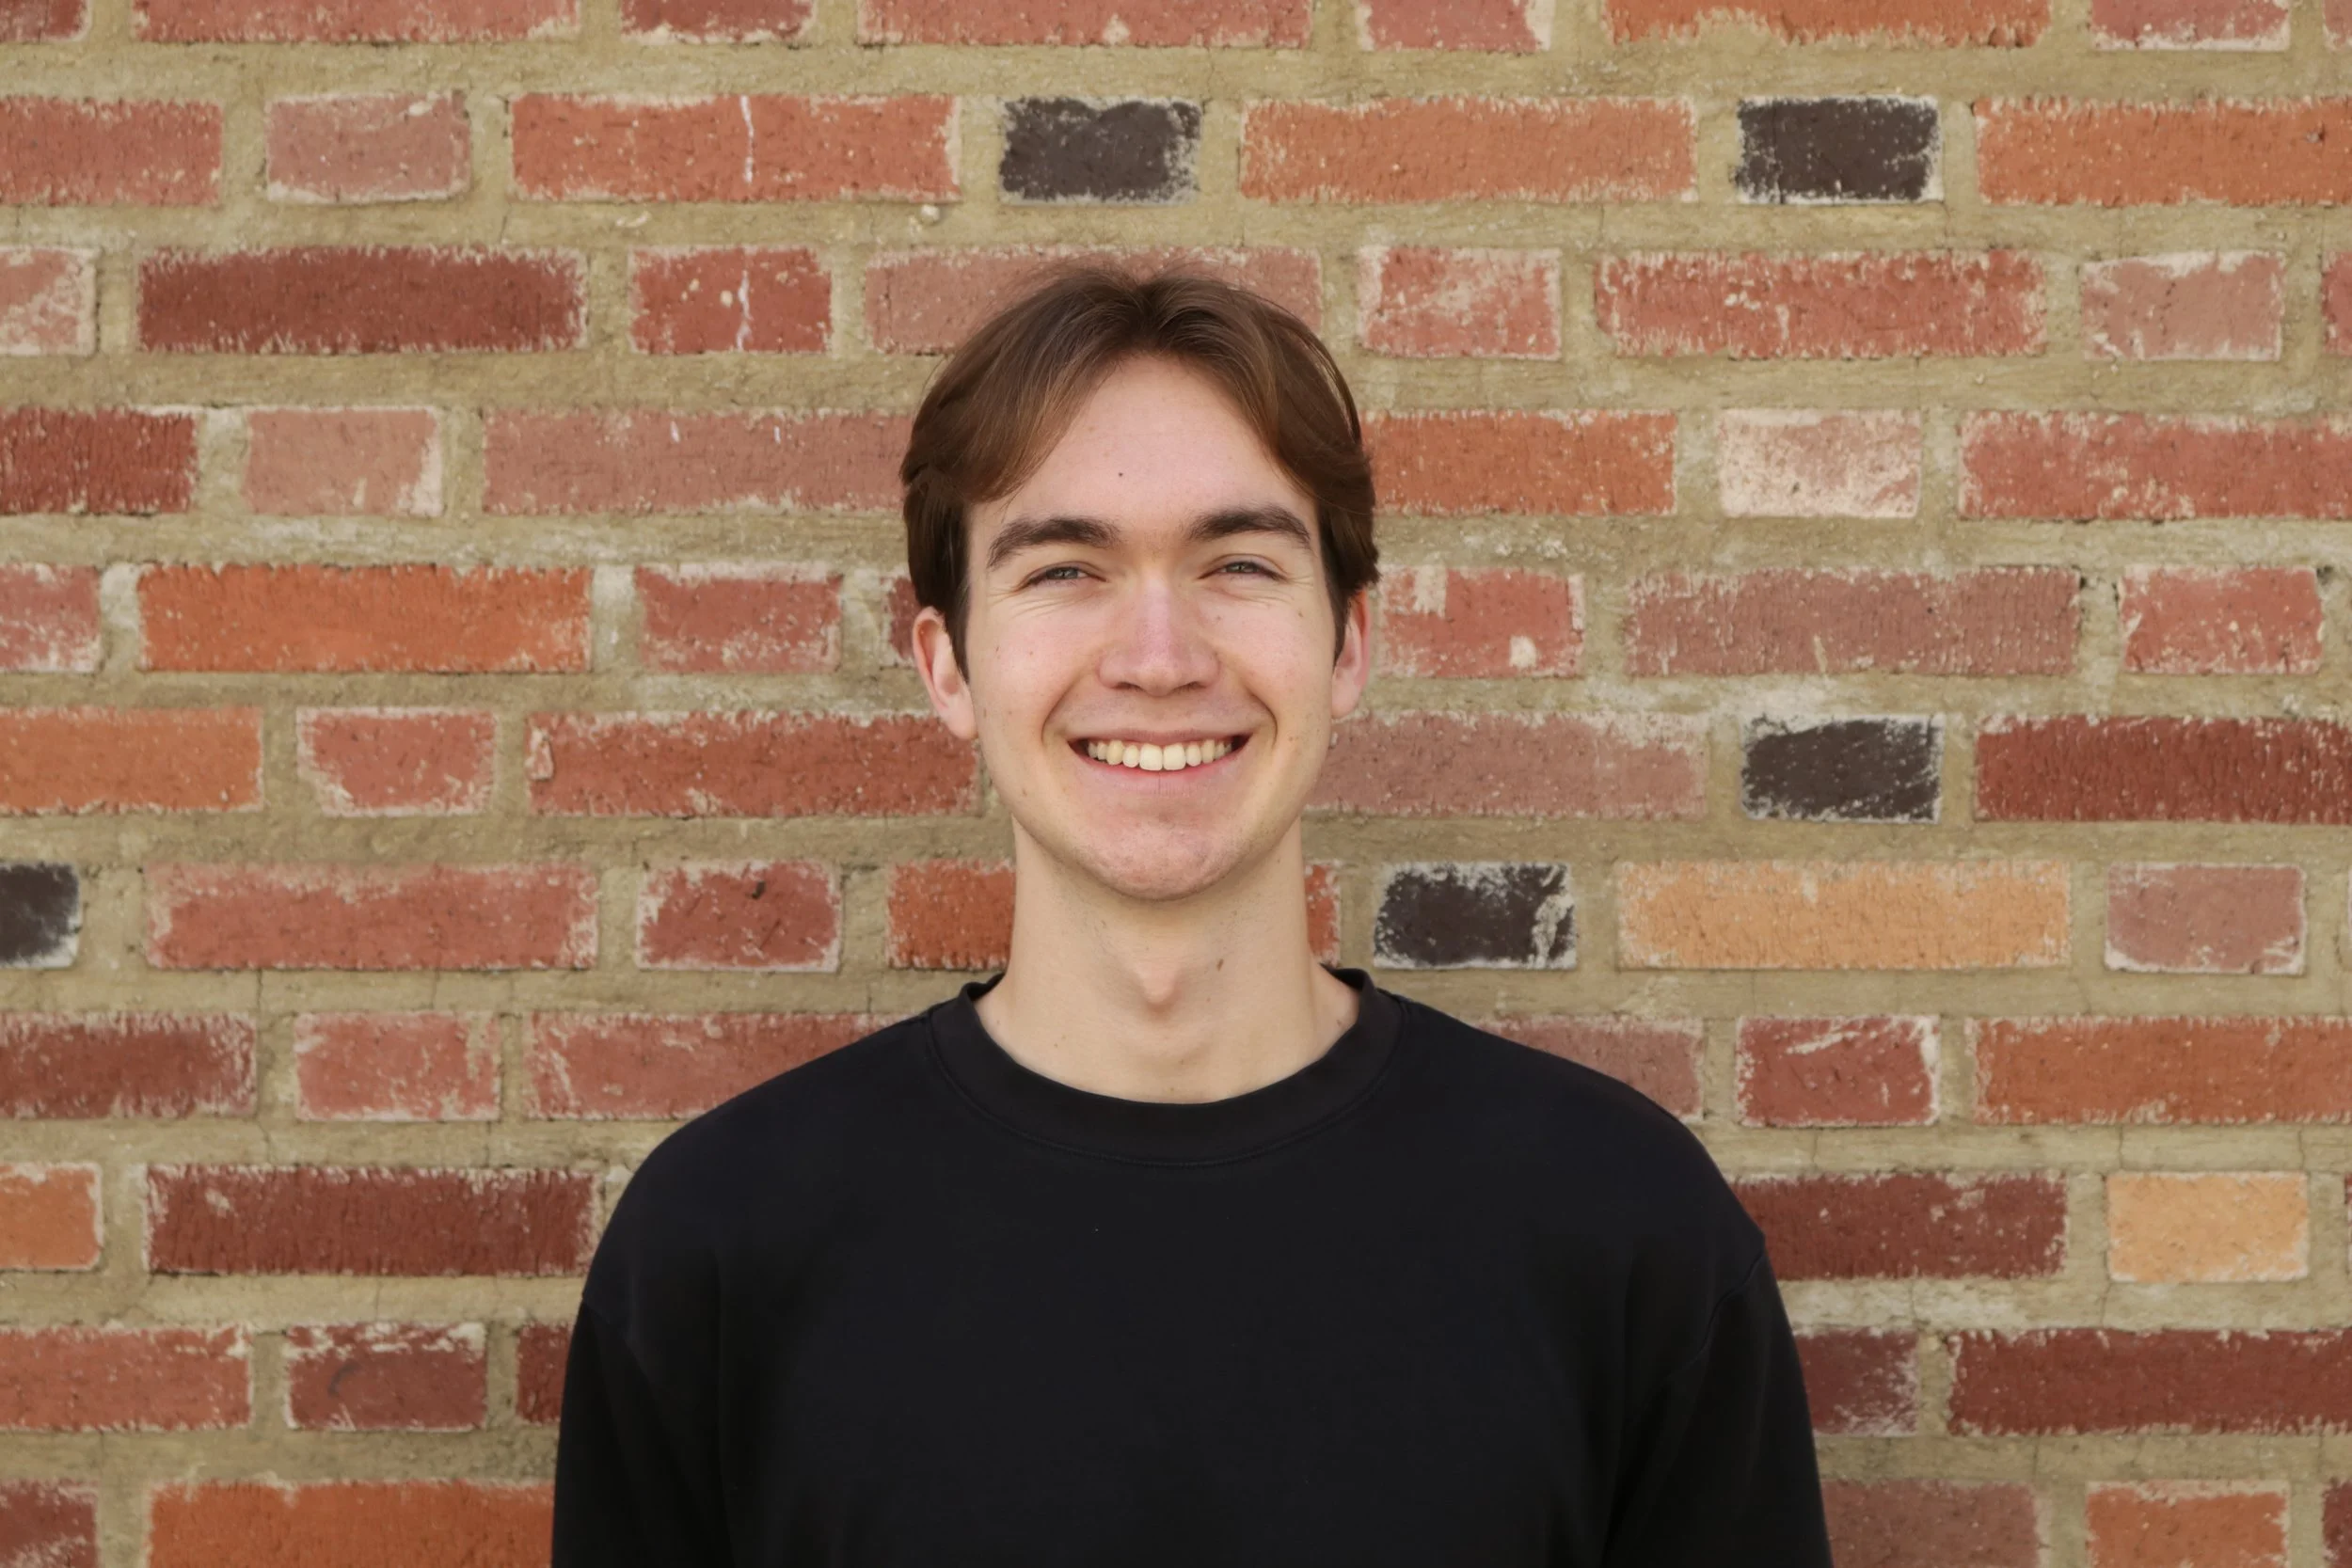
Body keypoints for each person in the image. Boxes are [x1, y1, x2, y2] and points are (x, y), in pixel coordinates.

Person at [548, 268, 1835, 1566]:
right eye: (1066, 569)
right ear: (949, 667)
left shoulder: (1625, 1234)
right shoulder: (720, 1252)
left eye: (1238, 564)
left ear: (1347, 645)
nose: (1159, 658)